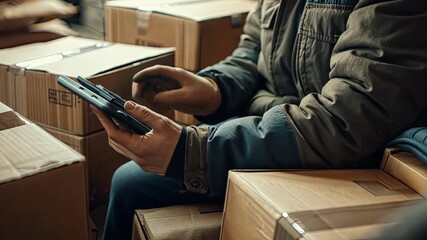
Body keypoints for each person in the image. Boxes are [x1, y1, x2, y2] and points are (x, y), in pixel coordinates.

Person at [93, 0, 427, 239]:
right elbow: (252, 53)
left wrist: (192, 152)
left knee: (130, 182)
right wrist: (214, 88)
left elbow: (350, 118)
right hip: (289, 127)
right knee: (129, 181)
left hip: (346, 147)